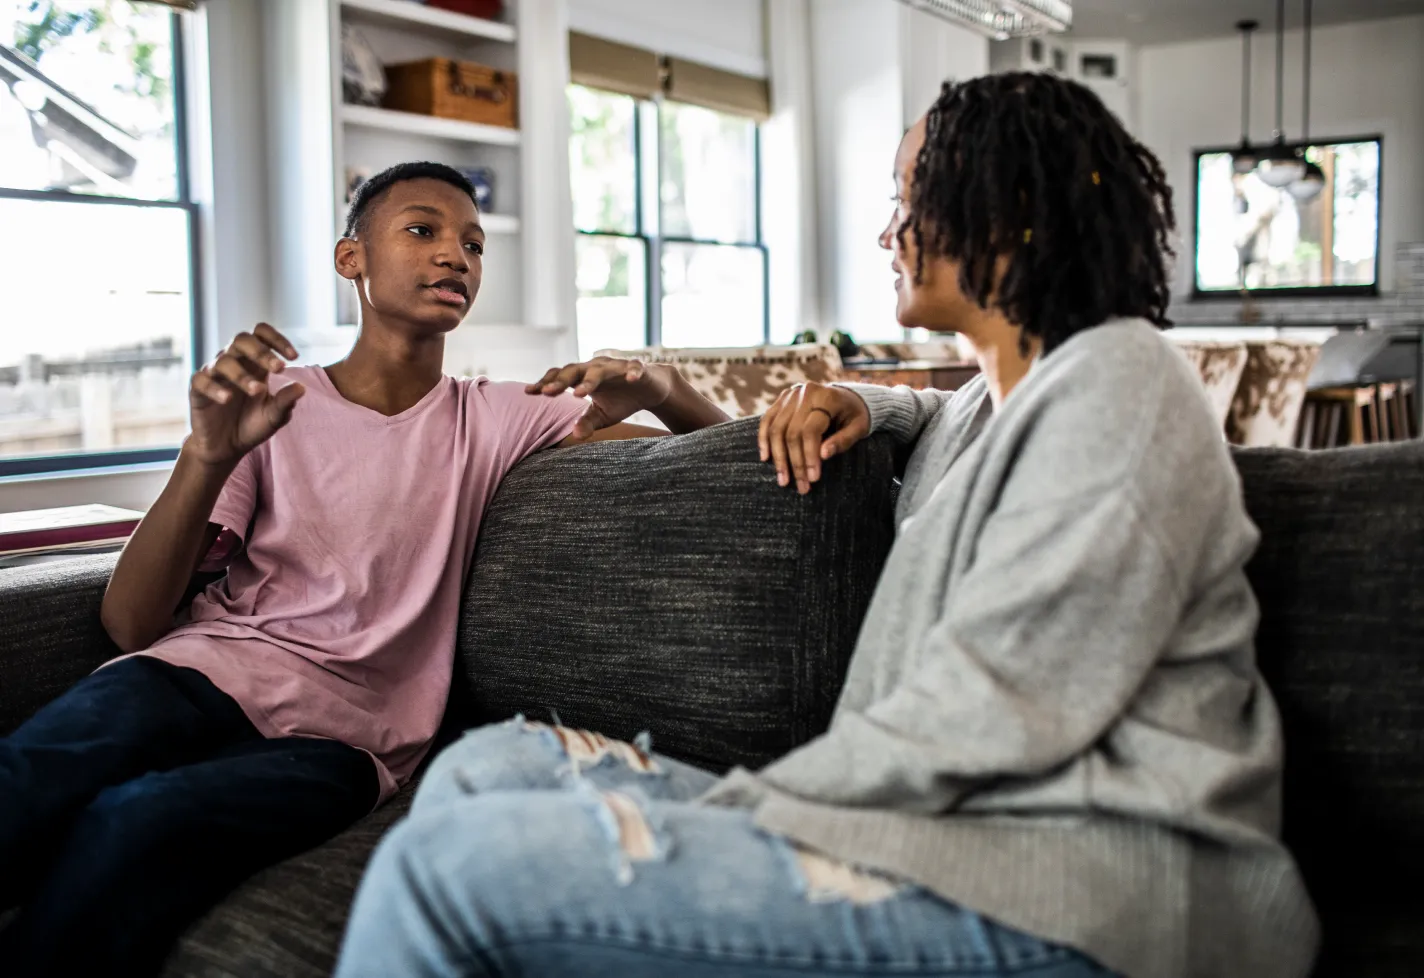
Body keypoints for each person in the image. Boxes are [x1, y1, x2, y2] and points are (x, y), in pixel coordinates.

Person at [333, 74, 1319, 978]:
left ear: (1009, 207)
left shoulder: (1119, 388)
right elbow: (944, 424)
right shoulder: (998, 398)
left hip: (1085, 894)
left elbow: (987, 715)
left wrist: (731, 814)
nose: (886, 230)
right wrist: (866, 401)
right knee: (485, 763)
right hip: (948, 838)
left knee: (446, 870)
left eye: (905, 196)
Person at [0, 161, 728, 976]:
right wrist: (203, 454)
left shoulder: (497, 415)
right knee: (26, 778)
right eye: (423, 231)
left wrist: (660, 384)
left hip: (351, 736)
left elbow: (720, 463)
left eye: (474, 245)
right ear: (353, 259)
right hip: (198, 670)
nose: (456, 255)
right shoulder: (274, 403)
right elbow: (130, 624)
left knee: (137, 823)